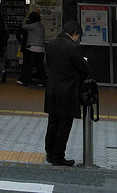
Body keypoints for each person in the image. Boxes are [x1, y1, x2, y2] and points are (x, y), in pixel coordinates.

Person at [43, 19, 88, 166]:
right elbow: (84, 69)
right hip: (67, 91)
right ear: (74, 34)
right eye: (78, 36)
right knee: (64, 125)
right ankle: (58, 156)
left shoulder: (51, 45)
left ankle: (49, 153)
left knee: (53, 122)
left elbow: (47, 65)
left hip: (52, 89)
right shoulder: (73, 48)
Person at [19, 10, 46, 86]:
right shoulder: (41, 26)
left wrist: (26, 17)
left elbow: (23, 26)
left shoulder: (34, 25)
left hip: (34, 48)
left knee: (29, 65)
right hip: (42, 49)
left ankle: (25, 80)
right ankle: (43, 81)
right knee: (40, 66)